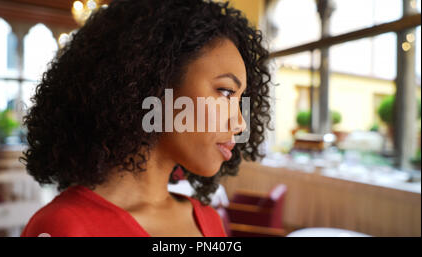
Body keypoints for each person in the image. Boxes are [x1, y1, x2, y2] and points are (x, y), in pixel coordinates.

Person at [20, 0, 272, 237]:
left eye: (240, 100)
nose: (240, 123)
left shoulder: (209, 222)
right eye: (226, 92)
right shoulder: (64, 226)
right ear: (155, 84)